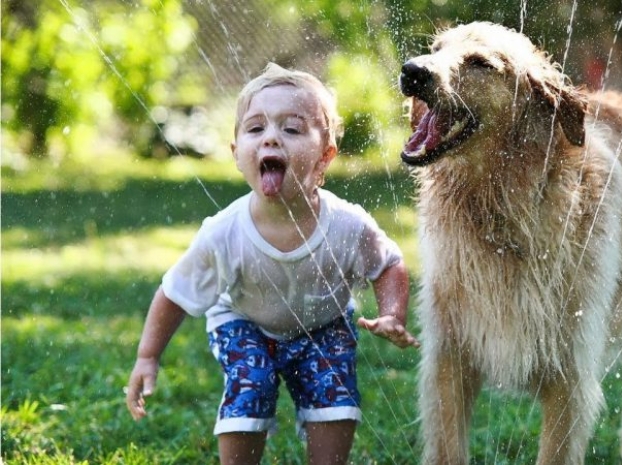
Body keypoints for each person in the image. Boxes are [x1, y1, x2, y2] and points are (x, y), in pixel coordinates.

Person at [125, 63, 419, 465]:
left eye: (292, 129)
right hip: (244, 321)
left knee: (336, 395)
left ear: (324, 157)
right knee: (252, 381)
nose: (271, 139)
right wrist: (147, 356)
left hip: (324, 322)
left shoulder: (348, 224)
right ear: (236, 154)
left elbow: (388, 264)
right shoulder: (224, 232)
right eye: (255, 128)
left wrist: (391, 313)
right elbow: (174, 293)